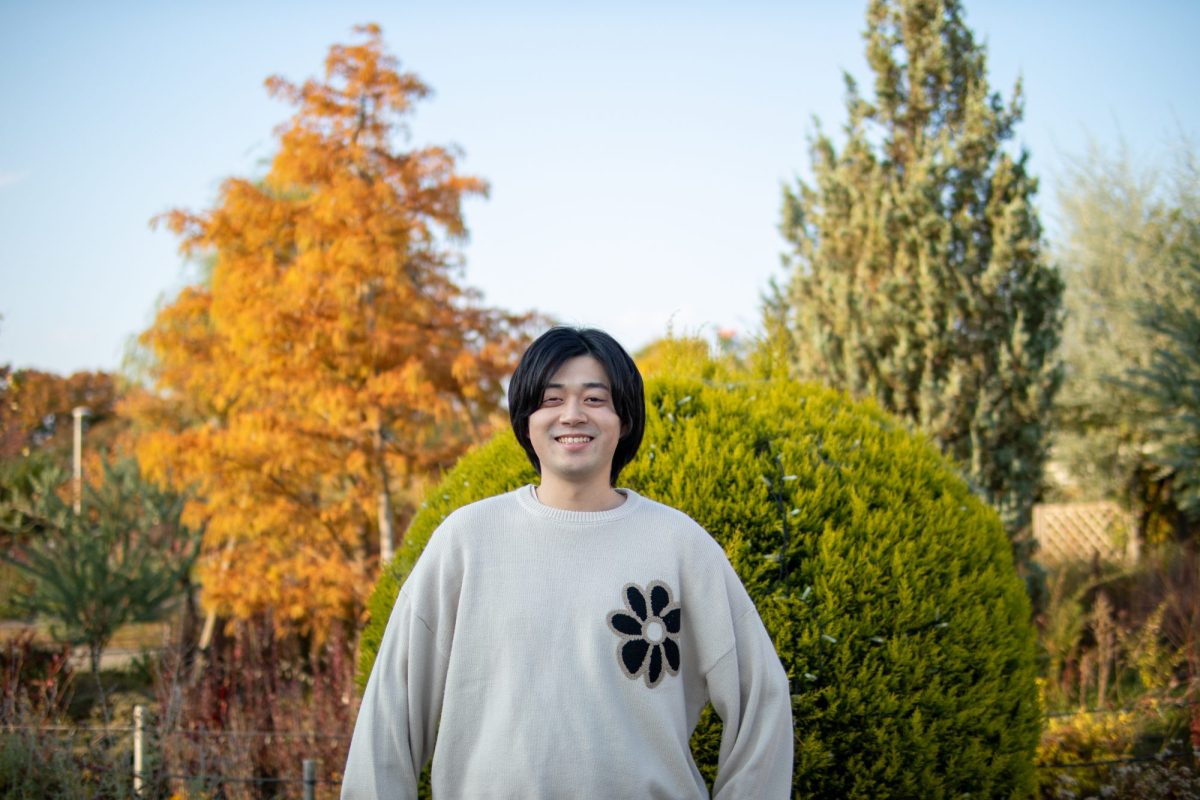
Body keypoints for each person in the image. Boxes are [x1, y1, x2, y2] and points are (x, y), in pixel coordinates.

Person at [341, 327, 794, 799]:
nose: (573, 414)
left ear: (624, 419)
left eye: (595, 399)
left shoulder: (681, 545)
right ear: (526, 420)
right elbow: (390, 717)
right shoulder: (467, 541)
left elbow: (761, 697)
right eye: (551, 399)